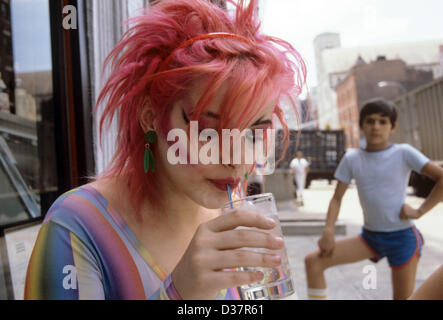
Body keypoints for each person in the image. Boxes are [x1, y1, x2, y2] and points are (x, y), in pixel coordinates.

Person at [24, 0, 306, 300]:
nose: (238, 159)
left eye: (252, 133)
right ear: (151, 117)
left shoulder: (231, 205)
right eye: (209, 133)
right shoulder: (76, 225)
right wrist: (179, 294)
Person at [304, 99, 443, 300]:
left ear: (393, 126)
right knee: (313, 262)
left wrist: (420, 211)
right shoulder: (352, 158)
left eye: (383, 121)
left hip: (402, 238)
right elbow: (336, 199)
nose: (376, 126)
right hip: (370, 238)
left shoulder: (403, 152)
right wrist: (328, 230)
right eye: (370, 121)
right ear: (361, 125)